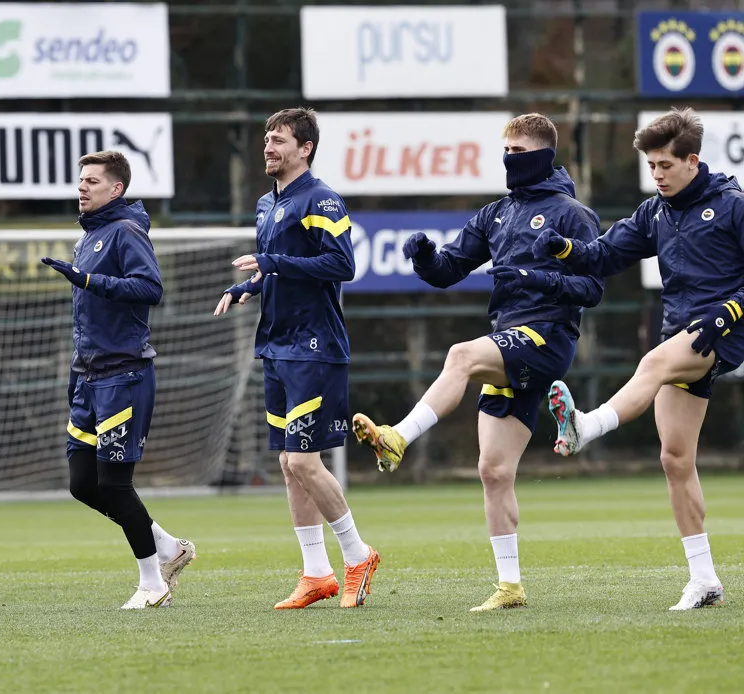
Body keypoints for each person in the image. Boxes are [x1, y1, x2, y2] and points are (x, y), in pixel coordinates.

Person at [351, 113, 604, 611]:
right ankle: (511, 587)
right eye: (504, 151)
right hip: (511, 341)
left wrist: (538, 278)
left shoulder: (573, 214)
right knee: (493, 470)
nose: (508, 159)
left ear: (542, 156)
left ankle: (397, 438)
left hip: (548, 338)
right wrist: (425, 257)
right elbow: (449, 269)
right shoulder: (497, 213)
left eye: (518, 152)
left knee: (461, 355)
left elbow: (592, 288)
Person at [535, 107, 744, 610]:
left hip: (725, 330)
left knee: (651, 364)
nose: (657, 175)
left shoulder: (732, 205)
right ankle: (704, 579)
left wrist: (731, 310)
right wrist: (565, 249)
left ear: (692, 161)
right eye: (651, 166)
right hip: (683, 335)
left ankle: (585, 426)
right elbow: (604, 255)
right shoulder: (655, 212)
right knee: (675, 458)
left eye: (665, 165)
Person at [213, 107, 380, 609]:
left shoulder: (321, 199)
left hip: (314, 347)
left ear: (305, 149)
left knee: (305, 461)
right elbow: (277, 269)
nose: (269, 146)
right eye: (267, 137)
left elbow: (342, 264)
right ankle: (316, 574)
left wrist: (271, 262)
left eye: (279, 139)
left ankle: (358, 555)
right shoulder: (267, 204)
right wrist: (248, 286)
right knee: (289, 463)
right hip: (277, 344)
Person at [42, 150, 195, 610]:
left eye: (92, 181)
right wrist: (76, 371)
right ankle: (168, 547)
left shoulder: (127, 231)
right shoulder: (89, 236)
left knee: (113, 484)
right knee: (82, 483)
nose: (82, 187)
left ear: (117, 189)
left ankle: (153, 585)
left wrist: (90, 280)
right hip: (88, 377)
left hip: (123, 375)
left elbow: (151, 289)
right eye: (81, 180)